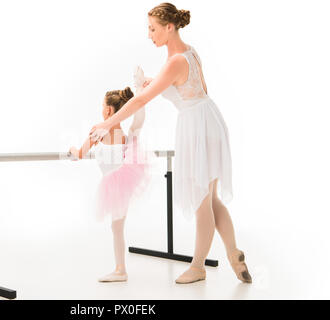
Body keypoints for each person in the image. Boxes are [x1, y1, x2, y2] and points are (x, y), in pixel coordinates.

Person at [89, 2, 252, 284]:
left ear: (169, 27)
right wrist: (152, 83)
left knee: (202, 199)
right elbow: (191, 91)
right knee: (211, 198)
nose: (149, 34)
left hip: (197, 128)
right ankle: (233, 251)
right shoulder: (190, 53)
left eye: (152, 29)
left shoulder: (175, 60)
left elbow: (142, 99)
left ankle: (198, 266)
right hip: (209, 120)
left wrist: (106, 123)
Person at [69, 73, 154, 282]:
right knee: (117, 228)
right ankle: (120, 268)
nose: (101, 110)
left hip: (113, 186)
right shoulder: (125, 136)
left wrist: (71, 150)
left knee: (116, 228)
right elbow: (139, 120)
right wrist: (141, 94)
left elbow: (79, 154)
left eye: (102, 106)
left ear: (108, 110)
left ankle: (121, 270)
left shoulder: (99, 131)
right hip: (124, 185)